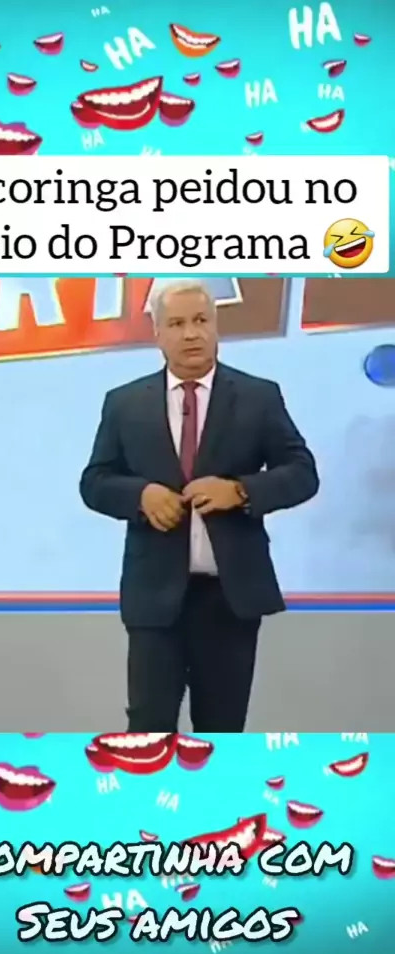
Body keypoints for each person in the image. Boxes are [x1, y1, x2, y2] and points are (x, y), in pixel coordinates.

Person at [79, 279, 319, 733]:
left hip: (230, 597)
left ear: (215, 326)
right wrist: (140, 496)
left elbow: (302, 473)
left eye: (200, 320)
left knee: (222, 730)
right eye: (176, 323)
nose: (191, 333)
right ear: (157, 333)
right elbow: (95, 482)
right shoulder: (125, 403)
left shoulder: (258, 397)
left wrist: (241, 491)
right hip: (154, 597)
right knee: (148, 729)